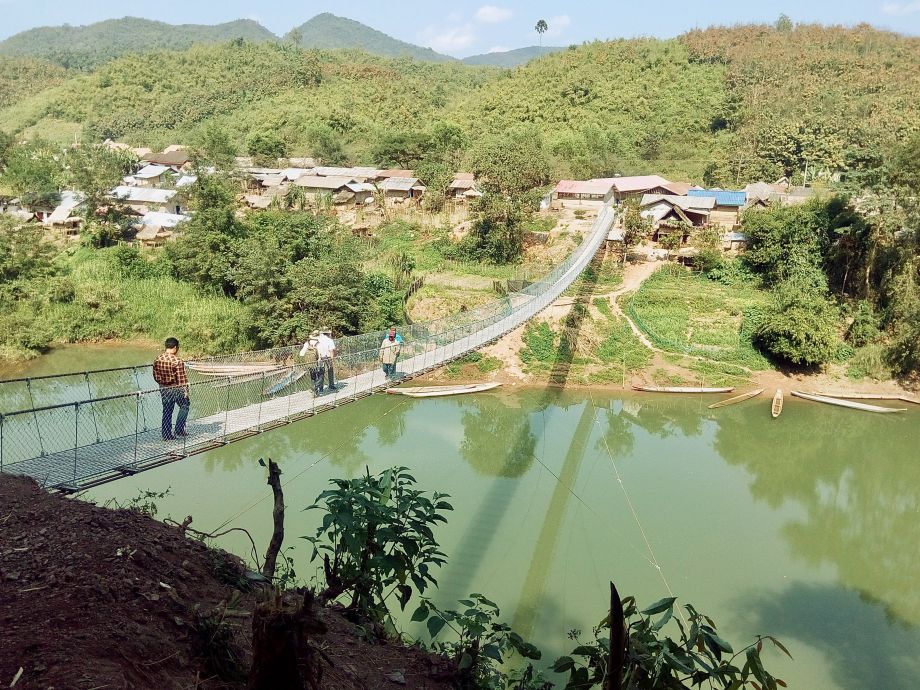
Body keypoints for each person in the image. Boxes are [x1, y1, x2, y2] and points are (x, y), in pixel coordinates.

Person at [152, 337, 190, 441]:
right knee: (185, 405)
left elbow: (155, 376)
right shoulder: (177, 361)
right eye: (177, 348)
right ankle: (179, 430)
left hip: (164, 389)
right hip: (176, 388)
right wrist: (186, 392)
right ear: (175, 347)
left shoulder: (157, 359)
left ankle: (166, 435)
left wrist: (163, 383)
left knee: (167, 411)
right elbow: (181, 379)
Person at [299, 331, 324, 395]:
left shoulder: (307, 343)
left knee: (313, 377)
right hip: (318, 362)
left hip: (309, 363)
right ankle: (317, 389)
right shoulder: (319, 343)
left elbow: (301, 354)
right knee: (320, 375)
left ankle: (314, 391)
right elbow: (322, 354)